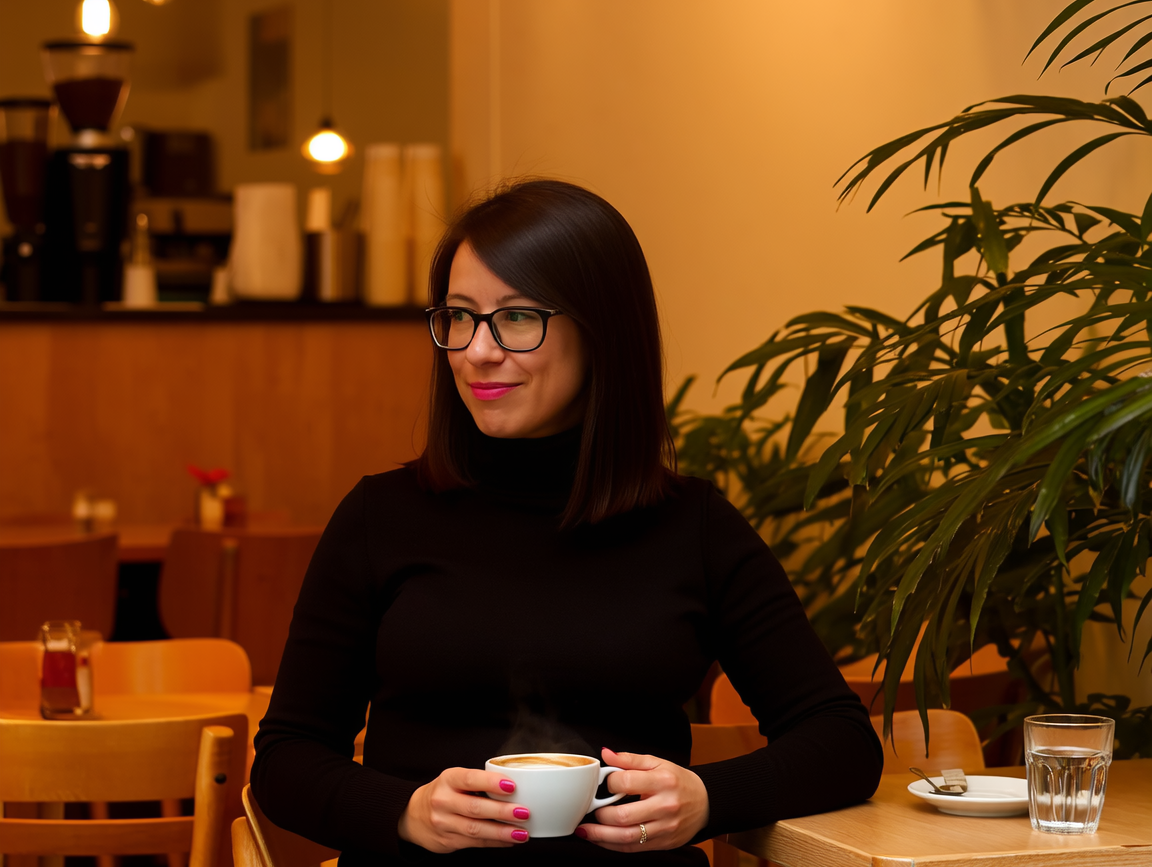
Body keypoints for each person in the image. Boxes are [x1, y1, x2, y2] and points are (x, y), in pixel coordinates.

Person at [251, 179, 883, 865]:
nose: (476, 351)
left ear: (600, 330)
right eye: (459, 316)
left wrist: (705, 797)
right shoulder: (381, 516)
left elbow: (842, 741)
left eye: (517, 317)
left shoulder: (691, 525)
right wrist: (406, 812)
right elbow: (286, 759)